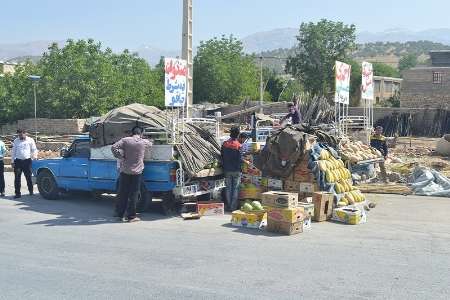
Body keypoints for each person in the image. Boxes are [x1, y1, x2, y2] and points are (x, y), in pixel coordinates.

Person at [111, 126, 152, 222]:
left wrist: (120, 156)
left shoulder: (125, 140)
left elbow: (113, 147)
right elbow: (151, 143)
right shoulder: (143, 142)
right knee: (133, 194)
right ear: (141, 133)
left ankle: (119, 214)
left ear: (132, 132)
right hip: (137, 172)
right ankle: (131, 216)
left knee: (122, 193)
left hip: (125, 170)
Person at [221, 126, 244, 211]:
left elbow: (222, 156)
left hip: (227, 169)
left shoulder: (224, 144)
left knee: (228, 188)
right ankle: (233, 207)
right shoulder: (239, 145)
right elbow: (240, 159)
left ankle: (228, 205)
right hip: (236, 170)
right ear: (237, 134)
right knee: (235, 189)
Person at [12, 129, 38, 198]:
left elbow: (34, 149)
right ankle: (17, 193)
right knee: (17, 178)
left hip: (27, 161)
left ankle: (31, 191)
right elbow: (13, 152)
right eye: (19, 135)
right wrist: (12, 161)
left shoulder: (30, 140)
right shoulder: (16, 141)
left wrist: (34, 157)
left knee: (28, 177)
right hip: (18, 161)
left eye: (21, 134)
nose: (20, 136)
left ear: (25, 133)